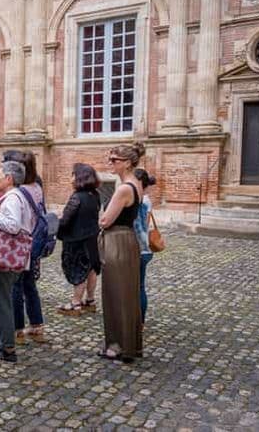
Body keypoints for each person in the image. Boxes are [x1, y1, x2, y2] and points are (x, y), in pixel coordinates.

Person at [98, 142, 146, 363]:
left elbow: (106, 220)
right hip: (128, 240)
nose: (111, 163)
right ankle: (129, 345)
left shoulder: (124, 188)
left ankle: (118, 347)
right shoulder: (136, 184)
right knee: (128, 295)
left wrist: (101, 214)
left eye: (114, 160)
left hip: (117, 240)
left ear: (127, 163)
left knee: (115, 295)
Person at [0, 161, 36, 363]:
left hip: (6, 257)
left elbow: (13, 226)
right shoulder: (16, 196)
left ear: (9, 179)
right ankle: (3, 336)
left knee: (2, 301)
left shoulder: (13, 198)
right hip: (10, 257)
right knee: (3, 298)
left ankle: (7, 347)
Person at [5, 150, 48, 344]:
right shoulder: (38, 185)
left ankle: (17, 330)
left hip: (21, 242)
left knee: (15, 286)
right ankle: (37, 325)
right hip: (35, 241)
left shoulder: (19, 191)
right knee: (30, 285)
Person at [56, 163, 102, 316]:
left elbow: (65, 220)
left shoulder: (76, 197)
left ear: (80, 177)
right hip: (92, 237)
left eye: (73, 175)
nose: (71, 178)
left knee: (78, 270)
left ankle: (75, 303)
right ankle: (90, 300)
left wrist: (56, 224)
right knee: (91, 269)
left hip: (77, 239)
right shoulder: (95, 195)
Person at [133, 168, 157, 325]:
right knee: (140, 286)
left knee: (133, 287)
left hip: (137, 248)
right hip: (146, 248)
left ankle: (133, 320)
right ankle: (140, 322)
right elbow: (146, 224)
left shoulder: (139, 199)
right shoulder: (147, 200)